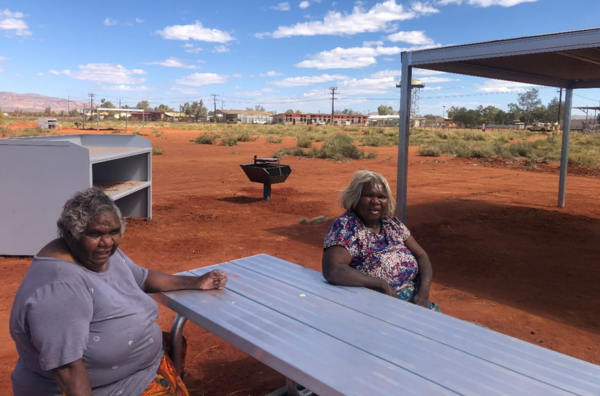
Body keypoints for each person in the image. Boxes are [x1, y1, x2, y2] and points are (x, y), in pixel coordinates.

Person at [9, 188, 228, 396]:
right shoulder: (60, 289)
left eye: (114, 232)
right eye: (95, 234)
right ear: (70, 233)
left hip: (141, 373)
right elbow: (67, 370)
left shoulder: (101, 255)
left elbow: (142, 278)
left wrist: (197, 282)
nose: (107, 243)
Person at [322, 170, 440, 311]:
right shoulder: (346, 227)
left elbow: (421, 255)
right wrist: (380, 284)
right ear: (356, 197)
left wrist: (423, 294)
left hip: (415, 302)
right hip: (375, 306)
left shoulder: (392, 224)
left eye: (382, 197)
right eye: (369, 195)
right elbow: (333, 269)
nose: (376, 201)